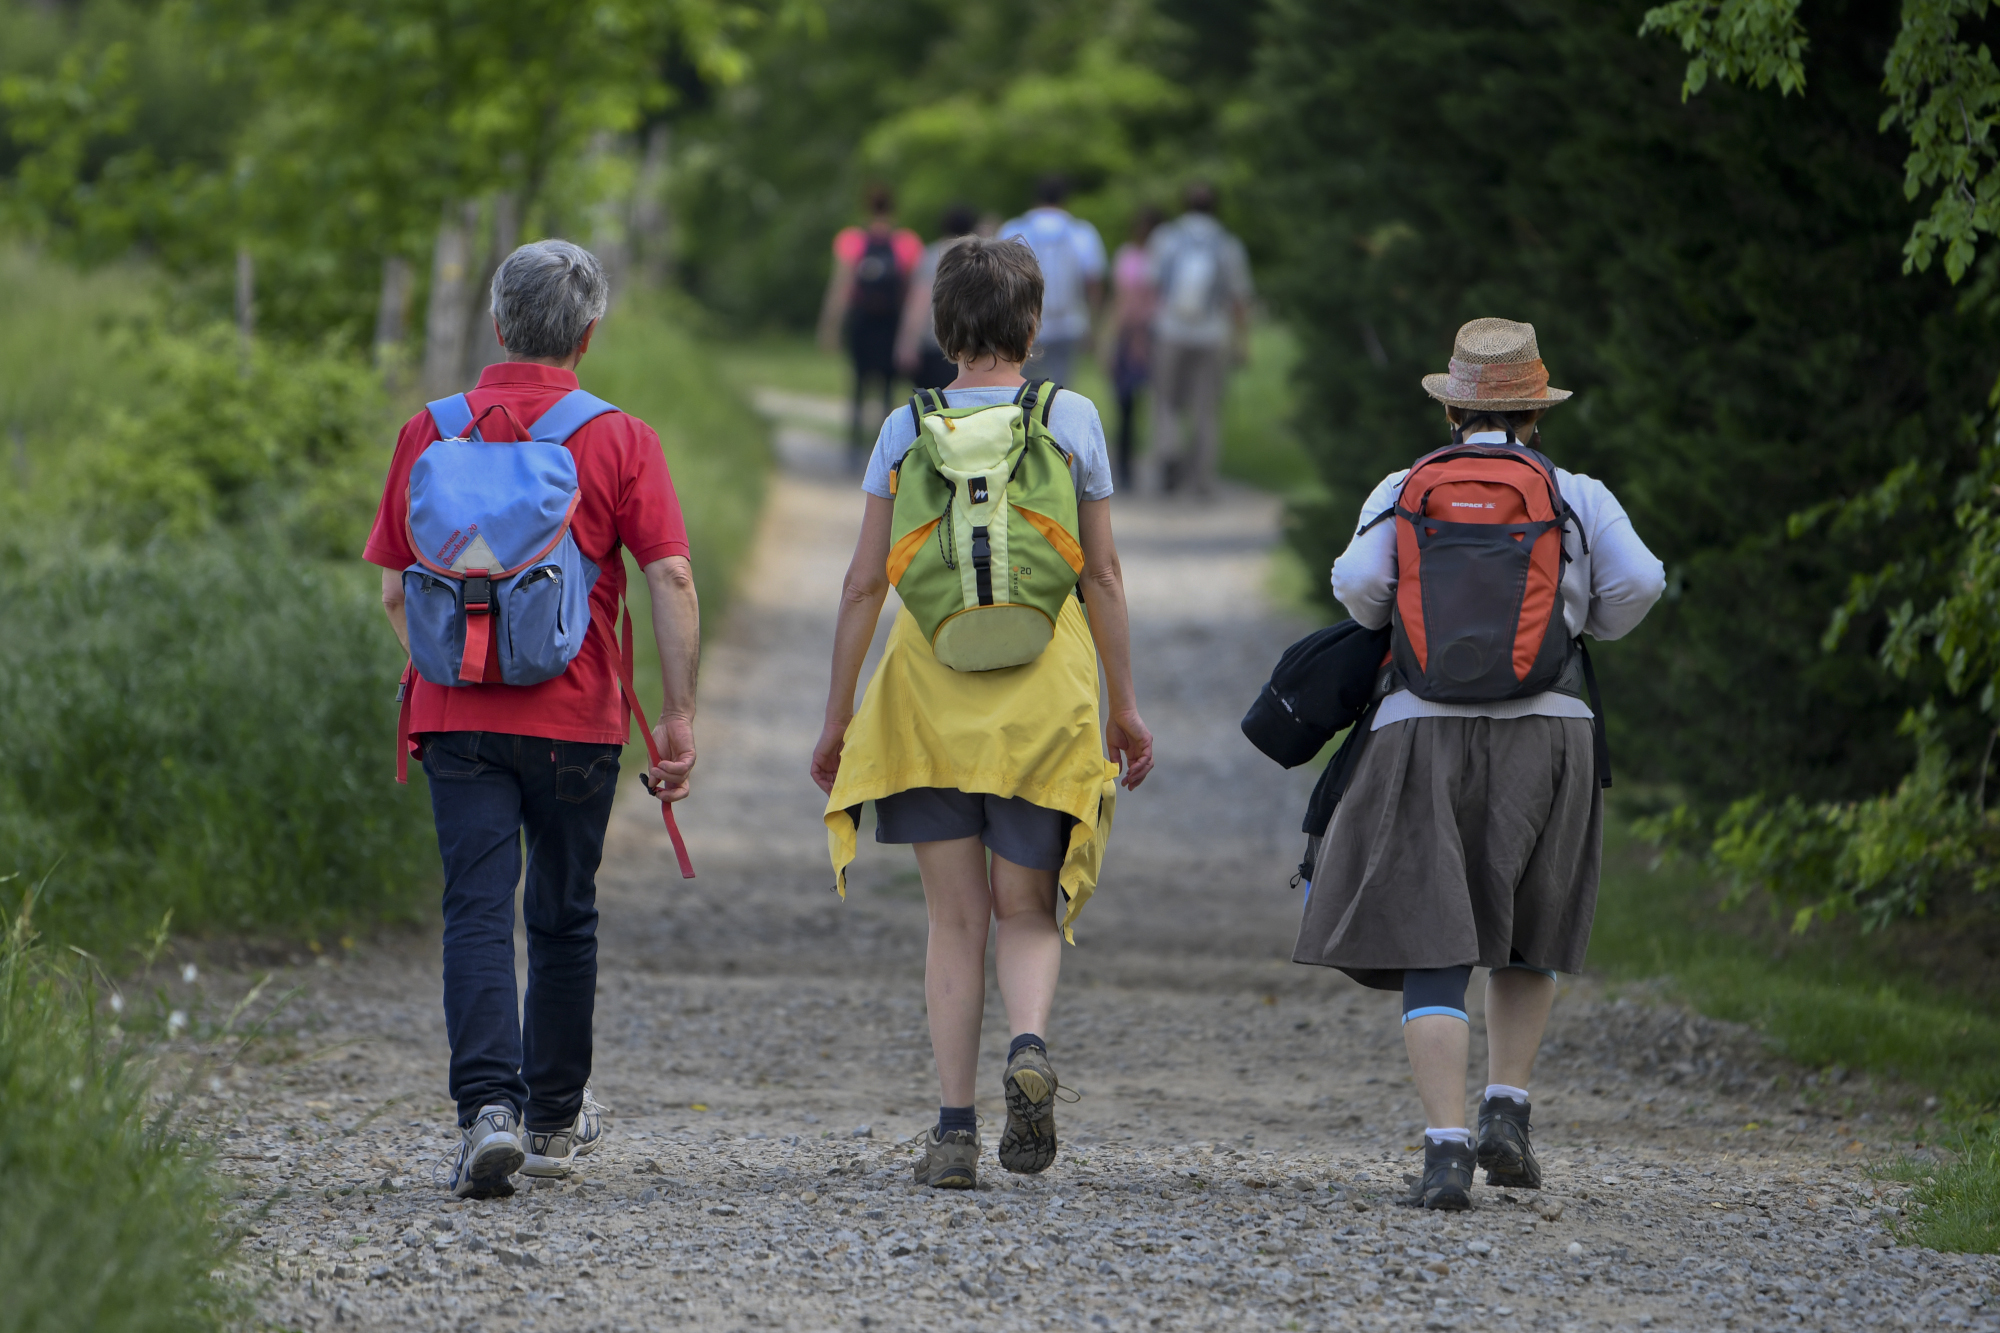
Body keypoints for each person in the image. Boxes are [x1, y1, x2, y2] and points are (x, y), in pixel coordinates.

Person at [1296, 318, 1665, 1209]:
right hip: (1551, 727)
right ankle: (1508, 1106)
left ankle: (1446, 1152)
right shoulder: (1576, 492)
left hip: (1421, 726)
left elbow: (1359, 588)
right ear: (1537, 411)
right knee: (1528, 923)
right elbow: (1642, 582)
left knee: (1435, 937)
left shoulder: (1404, 486)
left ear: (1452, 409)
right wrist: (1569, 630)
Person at [810, 236, 1154, 1191]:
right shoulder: (1072, 418)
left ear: (939, 327)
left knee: (954, 918)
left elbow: (862, 585)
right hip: (1045, 692)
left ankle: (955, 1130)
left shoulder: (903, 429)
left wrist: (838, 718)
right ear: (1034, 326)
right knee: (1026, 906)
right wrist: (1125, 707)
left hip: (927, 697)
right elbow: (1104, 575)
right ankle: (1028, 1043)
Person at [365, 240, 700, 1199]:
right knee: (561, 913)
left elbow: (394, 589)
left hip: (457, 714)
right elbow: (671, 576)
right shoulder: (621, 438)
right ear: (587, 335)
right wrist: (677, 715)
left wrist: (446, 662)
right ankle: (553, 1116)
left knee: (476, 909)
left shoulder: (429, 430)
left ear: (497, 325)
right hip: (578, 717)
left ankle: (488, 1113)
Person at [1145, 182, 1253, 498]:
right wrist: (1242, 341)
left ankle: (1169, 453)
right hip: (1212, 333)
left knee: (1165, 400)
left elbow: (1152, 285)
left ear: (1184, 203)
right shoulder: (1228, 243)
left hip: (1171, 330)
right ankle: (1202, 478)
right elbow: (1239, 298)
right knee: (1206, 408)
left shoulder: (1166, 237)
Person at [818, 187, 924, 459]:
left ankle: (854, 446)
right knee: (888, 388)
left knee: (858, 384)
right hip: (891, 323)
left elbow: (841, 287)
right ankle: (883, 449)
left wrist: (830, 326)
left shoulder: (852, 241)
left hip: (862, 322)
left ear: (866, 208)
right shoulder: (907, 243)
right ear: (893, 209)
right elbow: (911, 292)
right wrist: (910, 332)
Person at [999, 175, 1106, 389]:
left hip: (1025, 324)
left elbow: (1000, 281)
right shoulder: (1082, 232)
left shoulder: (1013, 229)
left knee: (1017, 386)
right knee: (1061, 387)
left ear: (1035, 198)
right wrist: (1093, 326)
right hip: (1069, 323)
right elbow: (1093, 282)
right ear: (1065, 199)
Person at [895, 203, 979, 391]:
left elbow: (919, 302)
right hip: (973, 344)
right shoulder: (981, 257)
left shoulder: (931, 256)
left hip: (936, 344)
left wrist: (907, 343)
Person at [1106, 206, 1162, 488]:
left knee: (1156, 405)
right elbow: (1119, 300)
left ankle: (1157, 464)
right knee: (1127, 403)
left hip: (1150, 334)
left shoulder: (1157, 256)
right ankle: (1126, 466)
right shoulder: (1128, 255)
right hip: (1133, 334)